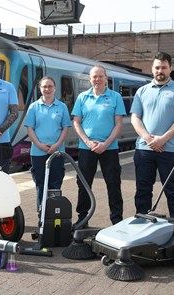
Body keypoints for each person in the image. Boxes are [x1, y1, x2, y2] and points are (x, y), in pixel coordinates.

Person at [130, 51, 174, 223]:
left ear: (170, 69)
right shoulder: (142, 91)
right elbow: (135, 117)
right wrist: (149, 139)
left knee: (173, 190)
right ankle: (142, 223)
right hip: (144, 149)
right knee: (143, 189)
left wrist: (162, 139)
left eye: (164, 67)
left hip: (170, 150)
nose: (160, 71)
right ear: (152, 69)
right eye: (157, 67)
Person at [71, 65, 125, 227]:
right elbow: (76, 122)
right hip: (86, 148)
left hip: (110, 148)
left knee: (113, 183)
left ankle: (117, 220)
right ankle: (82, 218)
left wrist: (106, 143)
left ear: (106, 78)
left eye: (100, 76)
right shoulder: (82, 97)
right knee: (84, 184)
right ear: (89, 79)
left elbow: (119, 123)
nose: (97, 79)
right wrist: (87, 141)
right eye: (94, 76)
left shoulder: (115, 97)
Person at [24, 76, 72, 212]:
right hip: (38, 152)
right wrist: (39, 145)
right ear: (40, 89)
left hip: (57, 152)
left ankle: (54, 213)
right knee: (40, 184)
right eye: (44, 86)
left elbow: (65, 128)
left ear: (55, 88)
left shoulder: (62, 107)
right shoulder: (34, 107)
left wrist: (57, 145)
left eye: (50, 86)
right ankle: (41, 213)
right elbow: (30, 128)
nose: (47, 89)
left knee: (55, 184)